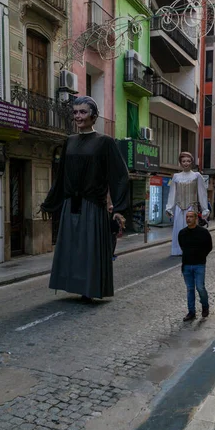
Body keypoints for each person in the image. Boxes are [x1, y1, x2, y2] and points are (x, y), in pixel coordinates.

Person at [40, 96, 129, 301]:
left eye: (83, 112)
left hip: (92, 205)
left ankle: (90, 289)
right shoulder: (69, 141)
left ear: (94, 116)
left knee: (88, 250)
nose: (78, 116)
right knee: (72, 249)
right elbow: (61, 176)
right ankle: (73, 284)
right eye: (75, 112)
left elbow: (119, 175)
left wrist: (118, 208)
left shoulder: (105, 142)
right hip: (71, 204)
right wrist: (50, 202)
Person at [166, 152, 209, 256]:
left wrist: (204, 208)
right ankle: (178, 250)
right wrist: (169, 208)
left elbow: (202, 193)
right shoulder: (176, 176)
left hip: (191, 207)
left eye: (188, 161)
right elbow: (172, 194)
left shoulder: (196, 176)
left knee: (191, 229)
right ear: (180, 162)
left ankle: (191, 249)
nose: (186, 163)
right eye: (184, 161)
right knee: (179, 229)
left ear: (191, 162)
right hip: (179, 207)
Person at [178, 210, 212, 322]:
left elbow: (209, 246)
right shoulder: (182, 233)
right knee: (190, 289)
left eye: (191, 217)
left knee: (200, 287)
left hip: (199, 265)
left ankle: (205, 305)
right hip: (187, 265)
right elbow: (182, 246)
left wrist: (201, 256)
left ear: (196, 219)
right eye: (187, 217)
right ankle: (191, 312)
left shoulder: (203, 232)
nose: (188, 219)